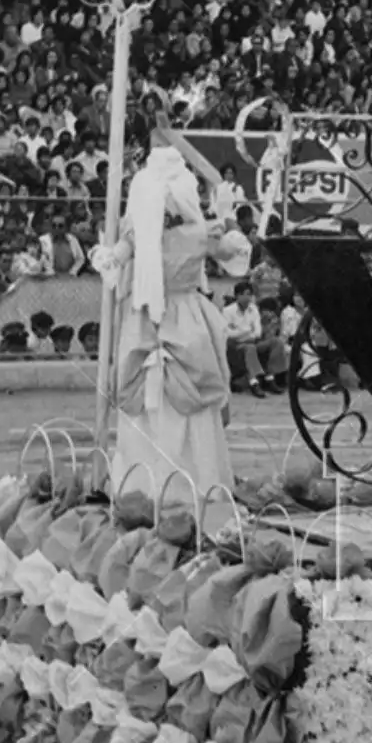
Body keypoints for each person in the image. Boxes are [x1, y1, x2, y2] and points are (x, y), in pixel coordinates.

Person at [94, 146, 242, 507]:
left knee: (149, 406)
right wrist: (230, 220)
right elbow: (233, 251)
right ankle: (195, 484)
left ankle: (144, 487)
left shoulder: (139, 234)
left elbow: (116, 259)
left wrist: (110, 256)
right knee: (185, 401)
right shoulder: (197, 231)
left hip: (146, 316)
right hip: (185, 315)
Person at [223, 280, 287, 396]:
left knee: (276, 342)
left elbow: (257, 332)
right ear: (237, 296)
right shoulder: (227, 311)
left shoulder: (253, 309)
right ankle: (254, 382)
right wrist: (246, 331)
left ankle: (270, 377)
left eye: (250, 295)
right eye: (245, 294)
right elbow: (227, 334)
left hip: (253, 341)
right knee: (250, 348)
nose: (248, 298)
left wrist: (240, 332)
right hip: (236, 346)